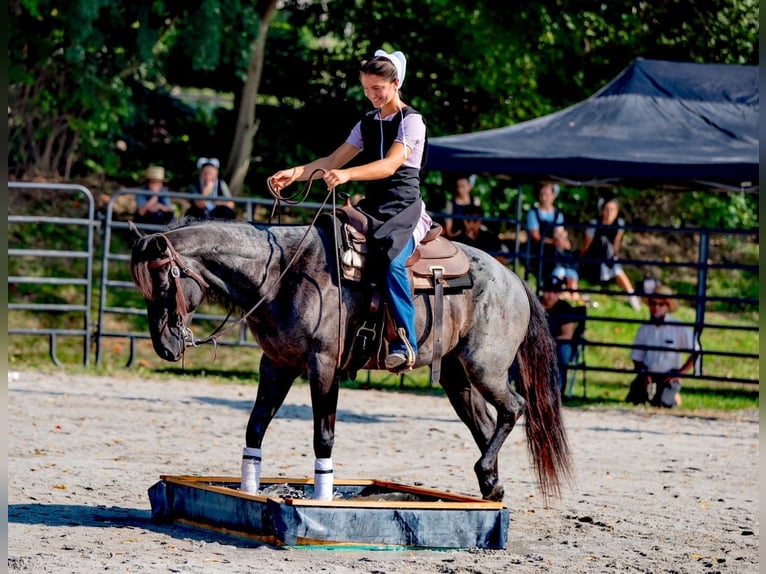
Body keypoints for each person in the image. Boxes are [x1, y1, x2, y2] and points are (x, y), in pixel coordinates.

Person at [268, 48, 430, 374]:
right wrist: (296, 173)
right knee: (328, 241)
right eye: (367, 88)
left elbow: (391, 164)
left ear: (395, 83)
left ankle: (406, 340)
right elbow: (332, 161)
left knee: (391, 259)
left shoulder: (412, 121)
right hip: (372, 208)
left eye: (377, 89)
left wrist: (348, 175)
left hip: (403, 210)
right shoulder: (367, 122)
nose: (371, 95)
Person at [626, 285, 699, 408]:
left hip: (669, 375)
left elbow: (696, 352)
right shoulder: (644, 329)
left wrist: (680, 374)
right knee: (634, 400)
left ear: (667, 306)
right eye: (653, 304)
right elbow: (637, 357)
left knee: (663, 403)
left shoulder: (679, 328)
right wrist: (644, 373)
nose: (656, 308)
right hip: (648, 373)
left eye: (661, 304)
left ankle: (673, 396)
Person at [579, 195, 641, 310]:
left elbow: (616, 244)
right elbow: (586, 246)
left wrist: (614, 258)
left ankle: (631, 296)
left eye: (612, 209)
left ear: (617, 211)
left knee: (616, 268)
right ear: (602, 211)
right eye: (606, 209)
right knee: (604, 243)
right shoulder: (594, 224)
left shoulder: (619, 224)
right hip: (594, 259)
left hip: (609, 259)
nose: (609, 212)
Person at [526, 182, 579, 298]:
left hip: (554, 250)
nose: (544, 197)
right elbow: (536, 237)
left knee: (568, 259)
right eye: (542, 194)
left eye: (547, 194)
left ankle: (572, 292)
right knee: (557, 261)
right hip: (540, 250)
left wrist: (563, 241)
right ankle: (557, 291)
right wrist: (555, 242)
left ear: (553, 195)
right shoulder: (533, 213)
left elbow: (558, 234)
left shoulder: (557, 214)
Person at [540, 276, 580, 394]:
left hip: (557, 343)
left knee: (564, 351)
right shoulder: (534, 304)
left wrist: (549, 343)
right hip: (535, 342)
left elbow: (567, 335)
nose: (550, 295)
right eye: (548, 290)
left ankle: (557, 390)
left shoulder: (565, 308)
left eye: (555, 292)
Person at [443, 174, 480, 239]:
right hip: (456, 235)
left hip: (472, 235)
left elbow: (477, 221)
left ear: (469, 187)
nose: (460, 189)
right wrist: (452, 235)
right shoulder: (450, 203)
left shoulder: (475, 201)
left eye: (463, 186)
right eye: (458, 186)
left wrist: (472, 233)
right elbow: (448, 225)